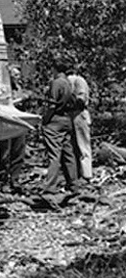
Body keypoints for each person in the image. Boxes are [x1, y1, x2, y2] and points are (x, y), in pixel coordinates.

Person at [39, 61, 79, 195]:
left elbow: (52, 105)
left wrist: (45, 120)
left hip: (55, 120)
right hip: (66, 120)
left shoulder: (56, 83)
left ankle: (50, 187)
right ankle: (73, 185)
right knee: (68, 153)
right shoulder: (68, 82)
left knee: (54, 154)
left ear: (55, 69)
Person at [0, 65, 28, 193]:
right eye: (15, 75)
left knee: (18, 151)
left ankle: (15, 180)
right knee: (5, 153)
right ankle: (4, 181)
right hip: (6, 124)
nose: (17, 77)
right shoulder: (3, 89)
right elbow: (0, 105)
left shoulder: (19, 88)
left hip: (19, 123)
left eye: (18, 75)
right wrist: (18, 101)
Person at [67, 65, 92, 182]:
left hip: (79, 114)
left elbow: (80, 99)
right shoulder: (68, 81)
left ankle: (86, 174)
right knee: (73, 145)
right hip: (71, 114)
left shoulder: (78, 80)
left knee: (83, 144)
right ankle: (76, 174)